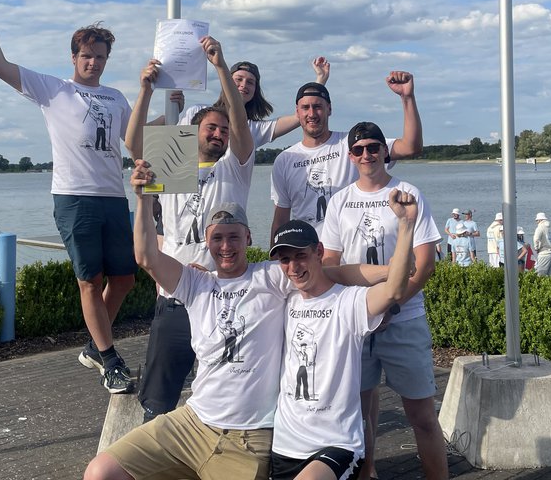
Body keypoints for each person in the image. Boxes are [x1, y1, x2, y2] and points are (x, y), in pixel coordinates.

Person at [85, 163, 388, 480]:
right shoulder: (195, 282)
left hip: (248, 439)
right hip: (192, 423)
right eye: (217, 238)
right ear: (207, 241)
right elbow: (147, 256)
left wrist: (389, 273)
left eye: (234, 237)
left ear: (248, 238)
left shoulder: (272, 277)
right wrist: (143, 198)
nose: (226, 246)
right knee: (100, 472)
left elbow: (332, 273)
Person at [0, 0, 141, 393]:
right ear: (74, 57)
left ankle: (93, 347)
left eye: (100, 57)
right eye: (87, 56)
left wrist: (171, 107)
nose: (94, 62)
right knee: (89, 280)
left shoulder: (116, 97)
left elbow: (136, 141)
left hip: (114, 197)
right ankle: (110, 359)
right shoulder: (53, 89)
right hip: (74, 197)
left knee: (124, 279)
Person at [126, 36, 257, 420]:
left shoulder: (235, 166)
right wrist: (146, 90)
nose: (218, 134)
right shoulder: (174, 161)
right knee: (159, 393)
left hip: (224, 293)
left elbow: (239, 121)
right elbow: (133, 143)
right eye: (210, 128)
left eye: (223, 130)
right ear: (193, 131)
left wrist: (220, 66)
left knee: (222, 390)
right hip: (176, 294)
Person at [322, 121, 448, 480]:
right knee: (359, 413)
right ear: (350, 156)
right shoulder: (340, 201)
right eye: (359, 149)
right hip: (356, 321)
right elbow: (330, 265)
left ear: (384, 152)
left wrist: (392, 304)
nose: (367, 155)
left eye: (374, 147)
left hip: (404, 319)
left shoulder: (408, 192)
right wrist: (372, 298)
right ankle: (367, 471)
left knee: (422, 416)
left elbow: (423, 266)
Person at [268, 191, 417, 480]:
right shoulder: (284, 296)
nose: (293, 267)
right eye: (285, 260)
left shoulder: (349, 302)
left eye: (301, 256)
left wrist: (406, 225)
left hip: (335, 444)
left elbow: (394, 290)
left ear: (319, 252)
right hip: (286, 444)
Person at [270, 72, 422, 240]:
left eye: (318, 106)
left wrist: (407, 98)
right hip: (309, 254)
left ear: (329, 109)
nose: (312, 114)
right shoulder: (284, 160)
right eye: (305, 108)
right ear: (297, 113)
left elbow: (410, 147)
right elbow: (281, 219)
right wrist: (276, 262)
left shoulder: (353, 144)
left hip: (350, 252)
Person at [177, 58, 330, 147]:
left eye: (250, 82)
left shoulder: (254, 129)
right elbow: (176, 145)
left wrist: (320, 80)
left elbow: (301, 116)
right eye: (238, 80)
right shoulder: (196, 112)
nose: (244, 85)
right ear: (226, 82)